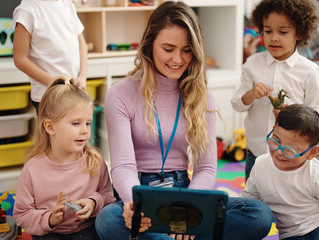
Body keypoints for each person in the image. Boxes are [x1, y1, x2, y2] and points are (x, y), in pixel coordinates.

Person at [95, 1, 272, 240]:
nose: (178, 58)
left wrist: (190, 212)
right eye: (168, 49)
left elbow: (206, 168)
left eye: (187, 49)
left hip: (185, 193)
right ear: (150, 45)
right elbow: (123, 167)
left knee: (259, 214)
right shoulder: (120, 94)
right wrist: (134, 205)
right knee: (108, 221)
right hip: (137, 193)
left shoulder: (201, 95)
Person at [241, 104, 319, 240]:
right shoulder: (260, 165)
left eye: (290, 150)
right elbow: (248, 203)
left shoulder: (317, 173)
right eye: (276, 141)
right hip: (291, 234)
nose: (279, 151)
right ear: (273, 131)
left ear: (312, 153)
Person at [231, 0, 319, 180]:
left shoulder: (309, 70)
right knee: (253, 203)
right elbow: (237, 104)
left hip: (291, 156)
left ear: (298, 33)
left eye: (283, 32)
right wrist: (251, 95)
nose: (274, 37)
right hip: (256, 153)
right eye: (268, 31)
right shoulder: (253, 64)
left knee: (288, 203)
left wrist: (294, 114)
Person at [13, 78, 115, 239]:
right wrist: (50, 219)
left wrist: (93, 203)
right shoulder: (32, 169)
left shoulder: (94, 160)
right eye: (76, 123)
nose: (85, 130)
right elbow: (22, 214)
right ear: (50, 127)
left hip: (85, 229)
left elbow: (108, 197)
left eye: (88, 123)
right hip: (49, 232)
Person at [13, 0, 88, 113]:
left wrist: (82, 76)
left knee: (73, 129)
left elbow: (82, 44)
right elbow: (20, 59)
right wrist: (54, 82)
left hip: (72, 92)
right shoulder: (26, 11)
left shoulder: (67, 5)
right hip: (48, 95)